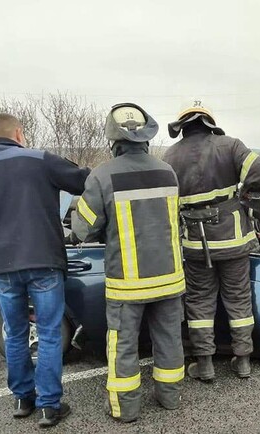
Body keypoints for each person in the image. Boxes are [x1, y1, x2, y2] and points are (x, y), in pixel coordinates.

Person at [0, 114, 90, 427]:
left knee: (16, 332)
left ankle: (23, 399)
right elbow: (84, 180)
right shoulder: (39, 159)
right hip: (42, 260)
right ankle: (50, 406)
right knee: (49, 334)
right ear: (19, 133)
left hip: (1, 263)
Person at [72, 103, 185, 423]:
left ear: (113, 140)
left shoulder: (102, 176)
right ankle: (170, 398)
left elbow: (82, 228)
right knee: (169, 340)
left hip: (128, 284)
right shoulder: (168, 172)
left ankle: (126, 409)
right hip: (169, 278)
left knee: (123, 346)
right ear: (146, 137)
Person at [163, 100, 260, 380]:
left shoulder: (169, 157)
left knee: (199, 303)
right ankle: (243, 360)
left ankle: (205, 364)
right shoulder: (230, 145)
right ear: (209, 123)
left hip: (196, 247)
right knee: (238, 300)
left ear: (183, 126)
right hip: (233, 241)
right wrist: (246, 192)